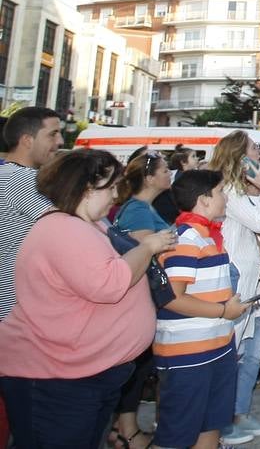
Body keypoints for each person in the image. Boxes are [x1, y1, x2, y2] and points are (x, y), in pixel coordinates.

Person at [0, 150, 176, 448]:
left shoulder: (88, 223)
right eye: (110, 187)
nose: (116, 195)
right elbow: (110, 284)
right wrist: (146, 248)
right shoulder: (63, 228)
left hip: (84, 374)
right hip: (57, 380)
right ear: (85, 189)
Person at [154, 169, 253, 449]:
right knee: (178, 432)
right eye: (221, 191)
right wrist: (224, 311)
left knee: (211, 424)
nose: (226, 198)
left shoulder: (208, 237)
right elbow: (172, 297)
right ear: (204, 199)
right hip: (188, 354)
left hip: (216, 346)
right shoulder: (186, 238)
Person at [210, 131, 260, 442]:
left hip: (248, 278)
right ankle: (222, 424)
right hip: (236, 279)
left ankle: (231, 418)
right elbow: (256, 222)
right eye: (254, 148)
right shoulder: (229, 189)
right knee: (231, 354)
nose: (259, 153)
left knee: (240, 354)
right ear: (240, 156)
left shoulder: (239, 189)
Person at [110, 151, 175, 449]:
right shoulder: (136, 210)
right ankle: (127, 429)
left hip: (143, 296)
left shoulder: (142, 207)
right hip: (139, 295)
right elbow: (144, 255)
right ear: (149, 177)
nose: (170, 173)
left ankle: (123, 426)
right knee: (137, 367)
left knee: (140, 366)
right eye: (164, 169)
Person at [0, 107, 61, 321]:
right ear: (27, 140)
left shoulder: (7, 175)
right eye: (52, 134)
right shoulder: (23, 180)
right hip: (18, 310)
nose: (60, 141)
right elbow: (70, 228)